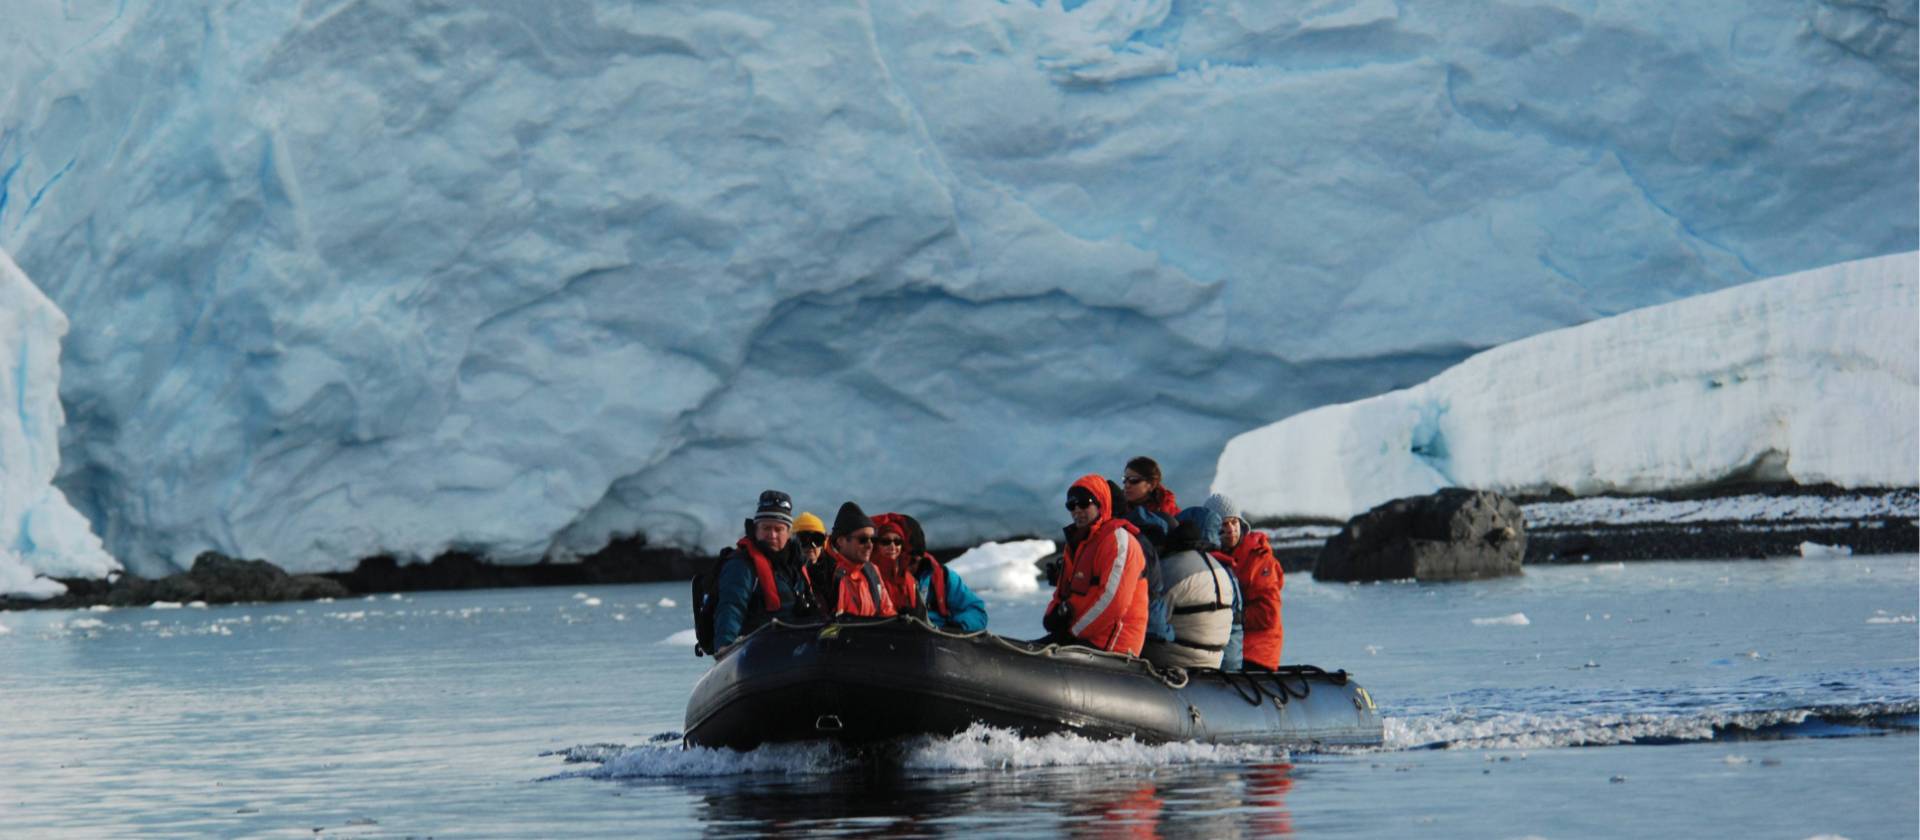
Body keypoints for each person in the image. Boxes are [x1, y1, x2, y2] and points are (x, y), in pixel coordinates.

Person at [1040, 475, 1150, 655]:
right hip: (1081, 635)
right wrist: (1052, 615)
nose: (1077, 510)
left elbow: (1114, 601)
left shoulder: (1118, 541)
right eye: (1071, 505)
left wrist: (1073, 633)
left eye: (1084, 502)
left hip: (1113, 644)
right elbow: (1063, 590)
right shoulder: (1078, 543)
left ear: (1101, 503)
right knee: (1029, 651)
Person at [711, 490, 821, 648]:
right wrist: (725, 649)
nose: (772, 535)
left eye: (778, 529)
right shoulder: (741, 565)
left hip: (794, 650)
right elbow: (731, 607)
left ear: (789, 533)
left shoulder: (796, 565)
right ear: (756, 530)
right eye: (766, 528)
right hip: (755, 653)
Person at [1140, 507, 1239, 669]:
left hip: (1178, 659)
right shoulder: (1221, 568)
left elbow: (1153, 622)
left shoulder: (1170, 568)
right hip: (1216, 660)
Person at [1206, 492, 1283, 669]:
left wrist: (1228, 616)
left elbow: (1268, 615)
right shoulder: (1212, 559)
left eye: (1234, 522)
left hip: (1255, 653)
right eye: (1224, 524)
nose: (1230, 529)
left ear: (1241, 523)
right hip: (1228, 648)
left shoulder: (1260, 560)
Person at [884, 512, 989, 632]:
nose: (910, 567)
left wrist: (957, 627)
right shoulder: (876, 579)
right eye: (904, 560)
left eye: (913, 561)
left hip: (939, 639)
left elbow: (976, 610)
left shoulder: (943, 577)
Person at [1121, 456, 1182, 537]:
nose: (1127, 485)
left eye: (1133, 480)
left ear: (1151, 485)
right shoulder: (1118, 507)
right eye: (1124, 480)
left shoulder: (1168, 509)